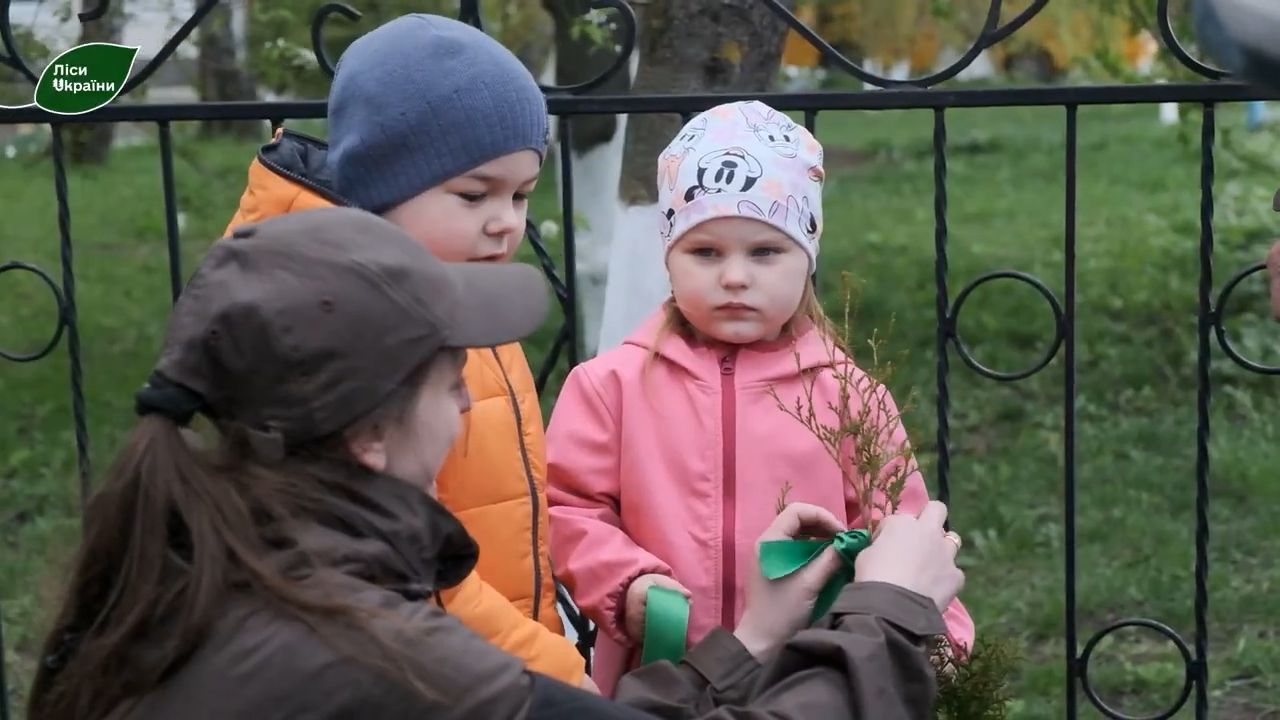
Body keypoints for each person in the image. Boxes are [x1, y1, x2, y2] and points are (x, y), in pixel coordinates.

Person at [27, 207, 966, 720]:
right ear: (369, 435)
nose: (472, 404)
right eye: (450, 384)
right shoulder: (378, 657)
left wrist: (751, 642)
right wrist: (884, 616)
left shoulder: (205, 580)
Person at [545, 100, 975, 696]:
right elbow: (567, 509)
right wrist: (626, 583)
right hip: (665, 679)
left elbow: (900, 526)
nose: (735, 277)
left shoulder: (851, 399)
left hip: (811, 679)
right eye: (706, 252)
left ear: (808, 257)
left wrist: (940, 636)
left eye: (765, 251)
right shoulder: (611, 386)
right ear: (669, 257)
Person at [221, 14, 586, 687]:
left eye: (521, 194)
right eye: (474, 194)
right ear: (380, 187)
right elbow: (418, 567)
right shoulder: (352, 334)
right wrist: (556, 673)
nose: (506, 220)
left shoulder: (455, 288)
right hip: (435, 672)